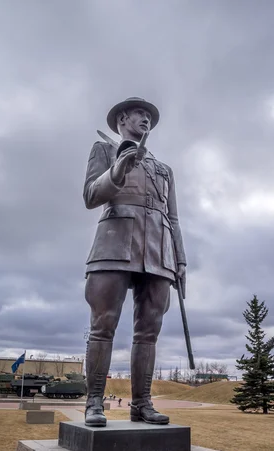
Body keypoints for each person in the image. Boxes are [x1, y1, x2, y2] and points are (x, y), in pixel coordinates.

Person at [83, 97, 186, 427]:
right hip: (114, 243)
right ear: (123, 119)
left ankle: (142, 403)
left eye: (149, 117)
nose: (146, 120)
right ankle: (94, 402)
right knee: (103, 326)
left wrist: (180, 260)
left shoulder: (164, 169)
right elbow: (90, 196)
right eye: (140, 114)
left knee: (149, 332)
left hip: (158, 252)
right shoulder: (105, 149)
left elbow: (174, 218)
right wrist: (119, 168)